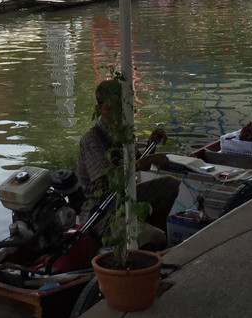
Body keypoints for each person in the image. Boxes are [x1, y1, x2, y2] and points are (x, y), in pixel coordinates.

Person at [76, 79, 179, 249]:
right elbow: (109, 181)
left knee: (170, 184)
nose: (116, 115)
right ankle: (148, 239)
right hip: (103, 213)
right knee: (157, 237)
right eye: (109, 109)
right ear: (99, 109)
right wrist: (144, 161)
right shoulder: (92, 139)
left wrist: (150, 146)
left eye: (120, 108)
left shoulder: (123, 133)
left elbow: (140, 162)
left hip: (126, 198)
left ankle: (148, 232)